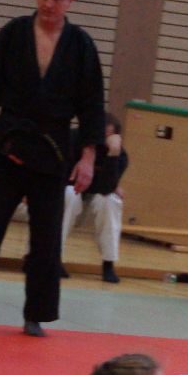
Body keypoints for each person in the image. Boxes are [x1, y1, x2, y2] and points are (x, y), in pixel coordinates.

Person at [0, 0, 105, 338]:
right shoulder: (13, 33)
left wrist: (88, 157)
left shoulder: (81, 45)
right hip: (7, 142)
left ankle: (35, 314)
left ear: (70, 1)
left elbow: (92, 106)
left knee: (46, 239)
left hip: (53, 149)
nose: (49, 4)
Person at [60, 112, 127, 283]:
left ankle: (108, 263)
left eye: (108, 136)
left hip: (93, 203)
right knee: (69, 193)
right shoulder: (72, 139)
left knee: (111, 200)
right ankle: (54, 257)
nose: (102, 139)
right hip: (69, 200)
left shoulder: (120, 155)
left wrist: (112, 154)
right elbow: (65, 178)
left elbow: (107, 188)